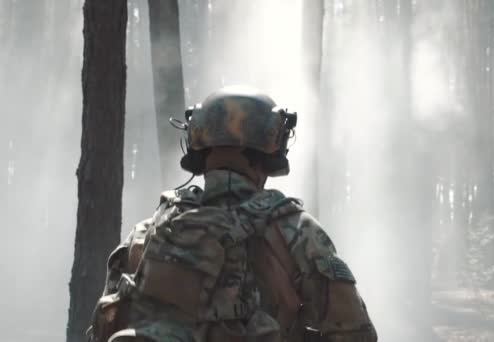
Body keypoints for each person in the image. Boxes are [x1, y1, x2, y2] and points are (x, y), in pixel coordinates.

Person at [87, 86, 377, 342]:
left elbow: (103, 327)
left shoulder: (150, 231)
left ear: (198, 145)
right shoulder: (295, 231)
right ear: (270, 151)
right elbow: (356, 333)